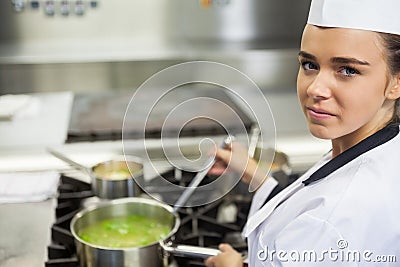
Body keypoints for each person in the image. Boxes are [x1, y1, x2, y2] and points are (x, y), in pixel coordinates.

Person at [205, 0, 400, 266]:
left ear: (396, 82)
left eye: (347, 70)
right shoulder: (376, 145)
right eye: (310, 64)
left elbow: (321, 222)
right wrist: (254, 175)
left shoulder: (335, 220)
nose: (315, 89)